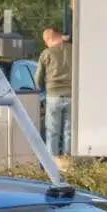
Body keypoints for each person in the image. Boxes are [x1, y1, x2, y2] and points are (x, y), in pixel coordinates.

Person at [37, 26, 74, 157]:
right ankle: (68, 161)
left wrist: (40, 89)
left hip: (53, 96)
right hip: (72, 96)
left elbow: (38, 78)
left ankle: (52, 162)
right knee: (69, 132)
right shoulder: (74, 50)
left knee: (52, 132)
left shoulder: (46, 54)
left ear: (49, 39)